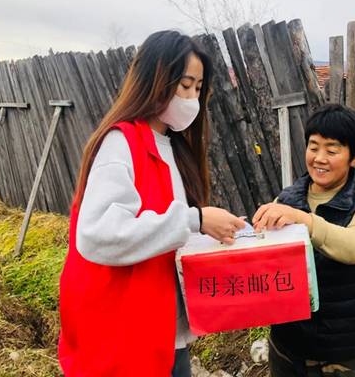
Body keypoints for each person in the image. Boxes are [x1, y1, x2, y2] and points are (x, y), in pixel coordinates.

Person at [58, 30, 245, 377]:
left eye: (198, 88)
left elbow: (167, 232)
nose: (192, 98)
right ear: (155, 80)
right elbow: (97, 234)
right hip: (127, 336)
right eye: (185, 85)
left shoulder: (173, 145)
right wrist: (194, 220)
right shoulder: (121, 143)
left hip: (167, 332)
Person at [253, 103, 355, 377]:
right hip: (288, 345)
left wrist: (304, 221)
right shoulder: (287, 198)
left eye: (332, 150)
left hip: (344, 353)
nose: (319, 158)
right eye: (313, 147)